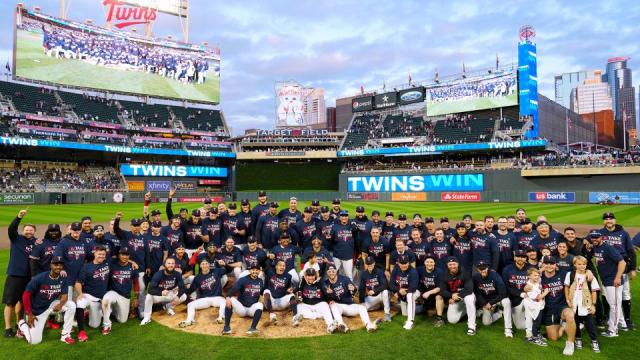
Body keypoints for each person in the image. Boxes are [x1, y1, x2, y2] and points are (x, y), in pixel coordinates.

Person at [17, 256, 76, 345]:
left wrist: (60, 304)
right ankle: (22, 324)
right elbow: (25, 296)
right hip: (38, 310)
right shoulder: (39, 278)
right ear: (51, 265)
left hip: (51, 305)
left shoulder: (63, 278)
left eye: (60, 265)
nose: (58, 267)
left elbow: (65, 295)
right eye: (56, 264)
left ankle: (65, 335)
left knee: (71, 305)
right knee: (34, 342)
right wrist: (29, 313)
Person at [599, 212, 636, 330]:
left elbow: (631, 251)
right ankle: (606, 316)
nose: (608, 220)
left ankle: (627, 319)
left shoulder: (623, 233)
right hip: (605, 268)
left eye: (611, 218)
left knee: (625, 293)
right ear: (604, 221)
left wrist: (633, 268)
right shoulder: (600, 233)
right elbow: (587, 240)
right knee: (605, 293)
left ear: (615, 220)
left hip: (622, 267)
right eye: (606, 219)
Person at [586, 230, 626, 337]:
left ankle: (613, 331)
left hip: (613, 281)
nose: (594, 239)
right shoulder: (595, 247)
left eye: (596, 237)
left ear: (602, 237)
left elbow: (622, 262)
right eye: (592, 237)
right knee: (613, 305)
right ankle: (622, 324)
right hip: (605, 281)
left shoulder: (608, 248)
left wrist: (617, 278)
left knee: (614, 306)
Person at [538, 255, 577, 356]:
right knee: (554, 338)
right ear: (543, 264)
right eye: (546, 263)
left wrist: (589, 272)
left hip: (562, 305)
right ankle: (564, 325)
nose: (549, 266)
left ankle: (570, 344)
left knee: (570, 315)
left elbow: (579, 271)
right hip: (548, 308)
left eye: (552, 263)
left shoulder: (564, 274)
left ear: (556, 265)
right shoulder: (538, 277)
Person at [324, 264, 378, 333]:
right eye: (329, 272)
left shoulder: (345, 279)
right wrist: (329, 299)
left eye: (333, 271)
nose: (331, 273)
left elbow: (354, 289)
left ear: (336, 271)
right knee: (332, 305)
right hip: (338, 307)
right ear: (327, 273)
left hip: (349, 305)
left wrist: (353, 288)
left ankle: (368, 325)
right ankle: (342, 325)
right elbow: (324, 296)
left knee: (362, 307)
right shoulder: (325, 284)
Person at [564, 256, 600, 353]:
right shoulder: (570, 274)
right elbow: (566, 287)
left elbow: (594, 291)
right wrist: (567, 299)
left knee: (589, 324)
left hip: (586, 304)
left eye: (584, 264)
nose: (582, 266)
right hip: (574, 303)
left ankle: (594, 341)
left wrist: (593, 305)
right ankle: (578, 339)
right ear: (575, 264)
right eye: (579, 264)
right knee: (575, 323)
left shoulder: (590, 276)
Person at [75, 246, 110, 342]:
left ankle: (92, 313)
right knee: (80, 301)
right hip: (89, 295)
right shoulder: (86, 267)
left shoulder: (107, 263)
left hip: (102, 298)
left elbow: (123, 259)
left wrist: (133, 262)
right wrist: (80, 293)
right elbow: (78, 282)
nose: (101, 256)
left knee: (94, 325)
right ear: (95, 254)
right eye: (99, 254)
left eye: (103, 254)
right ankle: (81, 332)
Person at [102, 247, 139, 335]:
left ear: (129, 256)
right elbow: (104, 257)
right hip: (113, 292)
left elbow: (136, 283)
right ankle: (106, 325)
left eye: (126, 255)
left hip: (125, 296)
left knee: (122, 320)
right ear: (119, 255)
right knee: (106, 300)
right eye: (122, 254)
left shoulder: (133, 267)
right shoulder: (112, 263)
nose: (124, 256)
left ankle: (112, 310)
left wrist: (136, 298)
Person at [179, 259, 226, 327]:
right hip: (205, 299)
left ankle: (221, 317)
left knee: (223, 302)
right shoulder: (197, 277)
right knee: (190, 305)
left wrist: (223, 265)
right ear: (200, 266)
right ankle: (189, 320)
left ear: (209, 265)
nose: (205, 265)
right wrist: (182, 288)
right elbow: (190, 290)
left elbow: (227, 270)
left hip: (217, 297)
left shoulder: (216, 271)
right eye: (203, 264)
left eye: (206, 264)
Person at [140, 257, 186, 326]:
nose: (171, 265)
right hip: (159, 295)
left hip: (170, 293)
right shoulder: (158, 274)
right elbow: (150, 290)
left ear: (175, 265)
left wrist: (178, 296)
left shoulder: (177, 274)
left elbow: (182, 287)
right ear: (164, 265)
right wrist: (160, 292)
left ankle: (168, 307)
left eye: (173, 263)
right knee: (149, 296)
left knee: (183, 296)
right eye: (169, 263)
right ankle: (147, 318)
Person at [222, 264, 264, 336]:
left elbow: (261, 292)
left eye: (257, 270)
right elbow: (233, 289)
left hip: (252, 309)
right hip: (241, 309)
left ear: (259, 271)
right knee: (230, 299)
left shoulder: (260, 281)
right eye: (253, 270)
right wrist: (228, 297)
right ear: (250, 271)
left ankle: (253, 328)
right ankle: (226, 328)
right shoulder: (243, 280)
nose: (255, 271)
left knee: (260, 305)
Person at [473, 262, 512, 337]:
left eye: (484, 268)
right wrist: (484, 304)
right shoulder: (475, 277)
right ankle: (500, 313)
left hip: (497, 299)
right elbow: (477, 293)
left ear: (488, 268)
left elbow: (503, 293)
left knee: (506, 301)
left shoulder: (495, 276)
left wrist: (491, 303)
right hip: (486, 302)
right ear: (477, 269)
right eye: (480, 269)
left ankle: (508, 328)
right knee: (486, 323)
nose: (482, 270)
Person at [439, 256, 476, 335]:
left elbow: (469, 289)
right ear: (447, 265)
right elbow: (442, 291)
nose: (452, 266)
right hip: (454, 298)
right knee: (452, 320)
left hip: (466, 295)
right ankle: (469, 311)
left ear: (458, 264)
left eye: (454, 264)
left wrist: (458, 295)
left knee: (469, 299)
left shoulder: (465, 273)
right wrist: (451, 295)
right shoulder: (444, 275)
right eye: (450, 264)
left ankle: (471, 326)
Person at [295, 268, 337, 333]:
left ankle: (330, 325)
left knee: (325, 306)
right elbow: (298, 290)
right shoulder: (303, 280)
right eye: (309, 275)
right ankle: (320, 315)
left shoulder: (320, 281)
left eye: (312, 275)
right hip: (307, 304)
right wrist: (298, 296)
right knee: (299, 307)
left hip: (319, 304)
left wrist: (328, 292)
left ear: (315, 276)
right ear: (306, 276)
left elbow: (325, 289)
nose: (311, 277)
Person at [263, 260, 298, 326]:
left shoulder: (288, 276)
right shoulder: (270, 272)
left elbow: (288, 289)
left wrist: (290, 290)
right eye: (280, 265)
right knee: (266, 291)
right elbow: (266, 263)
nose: (282, 267)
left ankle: (295, 317)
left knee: (292, 295)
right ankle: (272, 315)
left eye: (284, 266)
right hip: (271, 303)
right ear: (276, 266)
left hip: (282, 303)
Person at [390, 255, 419, 330]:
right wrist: (398, 291)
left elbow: (413, 287)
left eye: (405, 263)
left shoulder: (413, 271)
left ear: (408, 263)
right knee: (404, 313)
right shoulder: (395, 270)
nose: (404, 265)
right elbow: (391, 285)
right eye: (402, 263)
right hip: (401, 293)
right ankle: (420, 307)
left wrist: (402, 292)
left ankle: (410, 321)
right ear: (398, 263)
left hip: (415, 291)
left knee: (410, 296)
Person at [359, 256, 391, 322]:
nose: (369, 265)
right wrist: (362, 301)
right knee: (362, 309)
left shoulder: (379, 272)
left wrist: (374, 291)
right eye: (368, 264)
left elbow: (384, 285)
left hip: (381, 294)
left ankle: (387, 314)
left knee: (385, 292)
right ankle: (377, 306)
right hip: (372, 297)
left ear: (374, 263)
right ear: (366, 264)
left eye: (371, 263)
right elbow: (361, 288)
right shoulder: (363, 274)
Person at [523, 267, 548, 346]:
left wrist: (543, 268)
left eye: (538, 275)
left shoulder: (536, 281)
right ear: (529, 276)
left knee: (538, 321)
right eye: (535, 275)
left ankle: (535, 335)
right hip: (532, 306)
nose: (537, 277)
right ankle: (535, 338)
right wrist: (546, 292)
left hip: (538, 306)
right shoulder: (529, 286)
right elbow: (538, 297)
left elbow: (538, 272)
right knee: (536, 322)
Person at [417, 255, 444, 326]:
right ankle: (431, 309)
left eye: (431, 262)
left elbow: (440, 287)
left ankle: (439, 318)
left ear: (434, 263)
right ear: (424, 263)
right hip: (423, 296)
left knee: (439, 296)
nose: (429, 264)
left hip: (434, 294)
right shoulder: (419, 270)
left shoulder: (439, 272)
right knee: (417, 310)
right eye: (427, 262)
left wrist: (429, 292)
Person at [330, 211, 357, 280]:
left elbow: (356, 239)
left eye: (346, 216)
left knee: (349, 276)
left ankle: (351, 290)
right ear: (340, 217)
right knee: (332, 274)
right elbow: (331, 240)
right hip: (336, 256)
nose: (344, 217)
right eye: (342, 216)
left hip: (348, 256)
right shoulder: (335, 227)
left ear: (348, 217)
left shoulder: (352, 226)